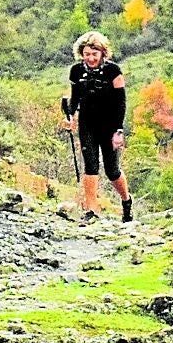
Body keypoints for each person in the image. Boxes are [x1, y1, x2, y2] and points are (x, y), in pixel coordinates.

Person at [61, 31, 132, 223]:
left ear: (102, 53)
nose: (91, 58)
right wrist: (70, 116)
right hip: (87, 123)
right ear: (81, 54)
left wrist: (118, 131)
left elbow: (121, 102)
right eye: (87, 54)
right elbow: (75, 98)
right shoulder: (76, 71)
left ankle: (126, 201)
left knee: (112, 170)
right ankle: (91, 210)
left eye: (94, 54)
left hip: (109, 125)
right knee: (90, 165)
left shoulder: (114, 71)